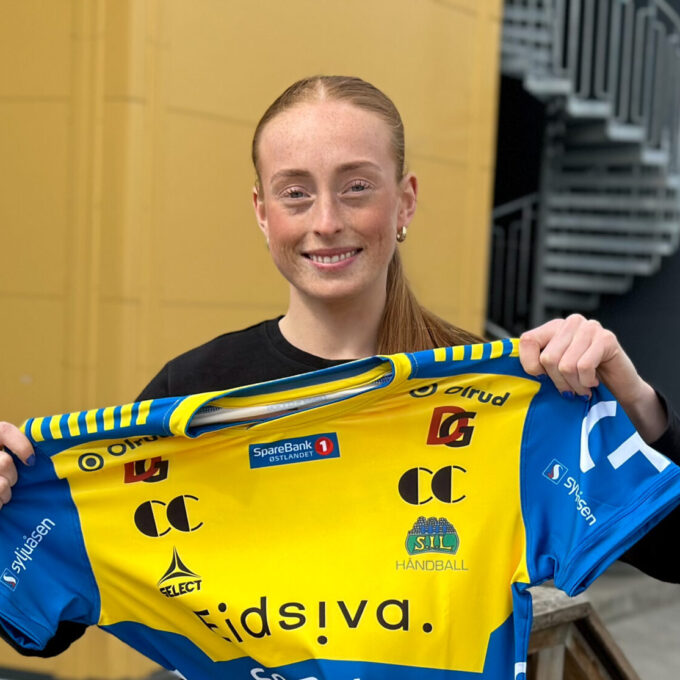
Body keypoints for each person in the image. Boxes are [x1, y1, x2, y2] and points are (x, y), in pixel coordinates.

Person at [0, 75, 679, 662]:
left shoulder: (495, 399)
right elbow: (46, 623)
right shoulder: (193, 391)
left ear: (405, 201)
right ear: (262, 213)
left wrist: (634, 401)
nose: (326, 220)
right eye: (295, 193)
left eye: (356, 187)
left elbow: (670, 554)